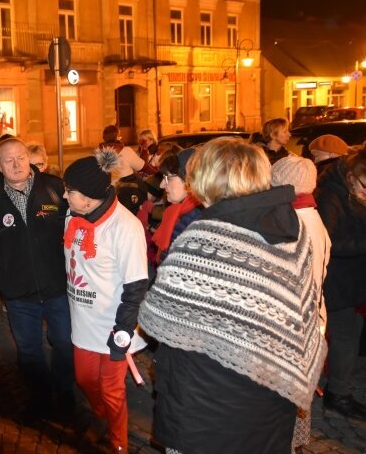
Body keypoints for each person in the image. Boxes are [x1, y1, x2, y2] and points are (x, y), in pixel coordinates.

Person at [139, 138, 326, 454]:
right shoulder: (293, 229)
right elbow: (302, 309)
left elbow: (155, 318)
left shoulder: (202, 240)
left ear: (206, 180)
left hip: (205, 404)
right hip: (272, 390)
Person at [0, 137, 75, 422]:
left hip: (58, 290)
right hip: (19, 296)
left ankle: (66, 397)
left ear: (29, 158)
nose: (16, 164)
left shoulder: (54, 189)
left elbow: (77, 230)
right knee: (29, 351)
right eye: (8, 160)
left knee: (65, 344)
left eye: (20, 157)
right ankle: (41, 400)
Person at [62, 149, 149, 452]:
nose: (64, 196)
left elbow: (137, 284)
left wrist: (123, 331)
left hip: (114, 325)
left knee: (112, 391)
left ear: (87, 198)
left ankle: (119, 444)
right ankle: (102, 418)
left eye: (68, 191)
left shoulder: (125, 227)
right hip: (83, 323)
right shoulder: (73, 217)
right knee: (84, 378)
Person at [271, 155, 330, 452]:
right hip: (309, 321)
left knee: (286, 407)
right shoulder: (309, 216)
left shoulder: (296, 223)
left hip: (294, 326)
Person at [315, 147, 366, 420]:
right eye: (364, 186)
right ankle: (338, 395)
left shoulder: (351, 190)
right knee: (345, 338)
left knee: (352, 334)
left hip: (354, 279)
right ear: (350, 176)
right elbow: (328, 242)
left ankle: (341, 390)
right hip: (336, 280)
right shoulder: (330, 194)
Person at [151, 148, 201, 265]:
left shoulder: (195, 221)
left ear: (188, 180)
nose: (162, 184)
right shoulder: (178, 212)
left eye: (168, 178)